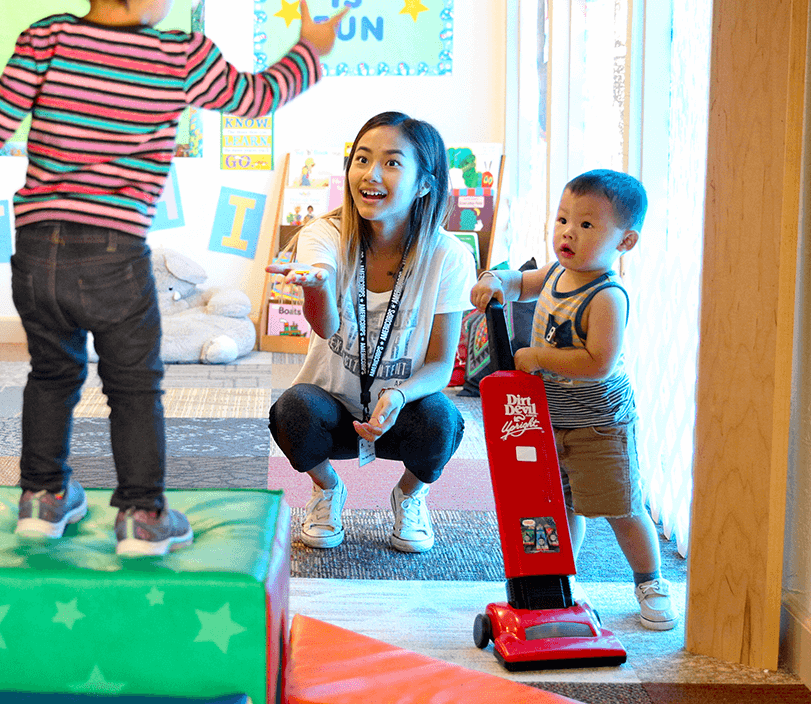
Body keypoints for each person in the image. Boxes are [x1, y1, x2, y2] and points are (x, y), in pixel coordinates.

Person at [0, 0, 344, 557]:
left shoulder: (48, 39)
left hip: (36, 254)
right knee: (134, 387)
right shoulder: (180, 55)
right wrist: (311, 50)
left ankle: (42, 496)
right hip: (114, 256)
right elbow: (260, 96)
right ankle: (143, 515)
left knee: (51, 374)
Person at [469, 169, 676, 631]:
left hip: (599, 423)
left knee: (620, 506)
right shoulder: (558, 273)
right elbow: (520, 283)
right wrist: (495, 279)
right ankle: (561, 578)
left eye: (586, 225)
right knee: (556, 506)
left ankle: (651, 580)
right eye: (563, 219)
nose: (568, 232)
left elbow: (598, 361)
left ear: (625, 242)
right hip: (549, 419)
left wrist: (538, 357)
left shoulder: (606, 295)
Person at [268, 112, 473, 553]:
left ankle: (410, 495)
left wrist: (399, 395)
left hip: (402, 411)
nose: (370, 174)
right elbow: (324, 326)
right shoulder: (325, 233)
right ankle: (327, 491)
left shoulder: (448, 256)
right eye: (361, 159)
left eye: (392, 163)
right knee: (291, 410)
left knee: (444, 421)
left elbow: (441, 364)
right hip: (333, 410)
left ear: (424, 185)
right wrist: (319, 284)